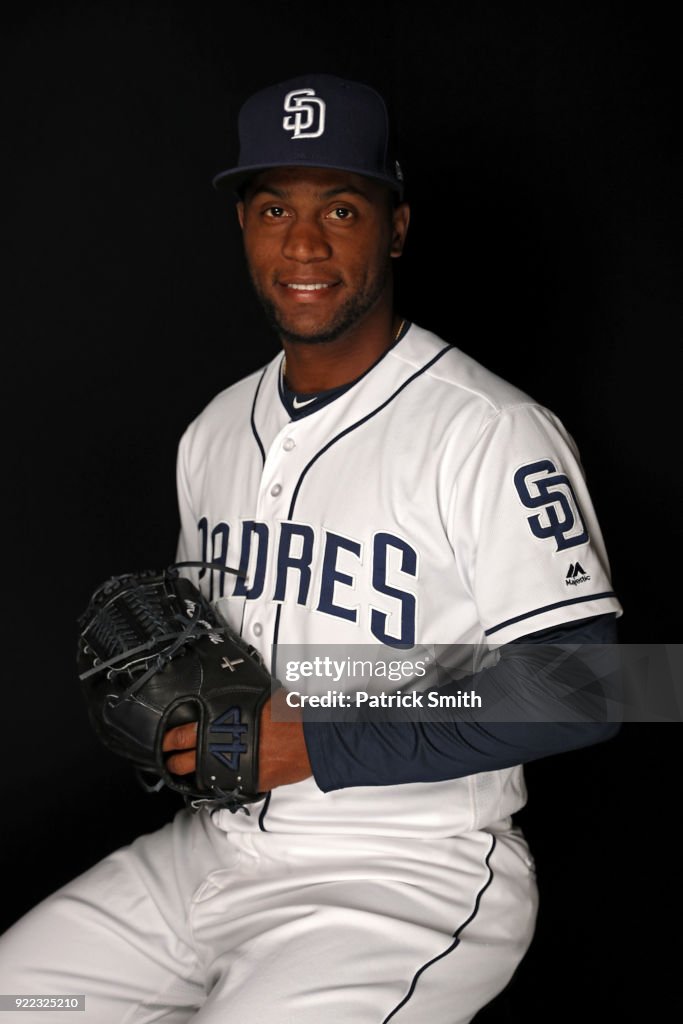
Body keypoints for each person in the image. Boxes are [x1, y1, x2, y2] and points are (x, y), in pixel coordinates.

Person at [0, 73, 622, 1023]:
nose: (303, 243)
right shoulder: (211, 430)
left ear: (396, 226)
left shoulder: (488, 429)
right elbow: (206, 652)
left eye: (340, 206)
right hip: (210, 849)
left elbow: (596, 685)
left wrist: (321, 739)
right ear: (245, 228)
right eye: (272, 209)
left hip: (398, 877)